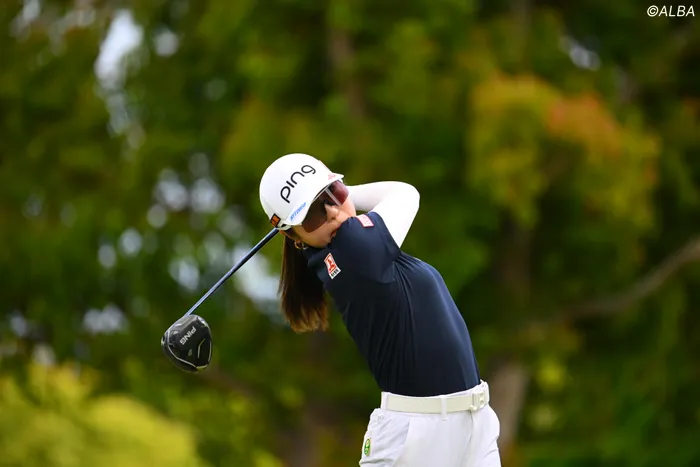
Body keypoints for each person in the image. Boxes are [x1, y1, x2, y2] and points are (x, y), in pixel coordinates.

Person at [258, 153, 501, 466]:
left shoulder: (337, 251)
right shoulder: (353, 247)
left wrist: (333, 194)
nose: (332, 212)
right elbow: (404, 193)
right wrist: (347, 193)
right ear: (292, 234)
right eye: (313, 213)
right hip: (416, 438)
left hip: (474, 421)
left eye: (333, 194)